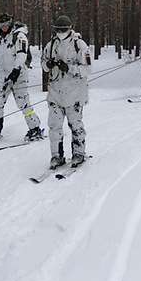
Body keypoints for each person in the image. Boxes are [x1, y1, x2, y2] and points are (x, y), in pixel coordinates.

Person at [41, 15, 92, 169]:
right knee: (54, 126)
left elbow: (88, 69)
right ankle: (57, 156)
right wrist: (48, 64)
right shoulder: (50, 46)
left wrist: (69, 68)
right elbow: (43, 64)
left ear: (70, 28)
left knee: (75, 125)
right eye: (58, 30)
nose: (61, 32)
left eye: (63, 29)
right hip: (56, 93)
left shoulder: (80, 45)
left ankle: (78, 153)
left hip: (75, 93)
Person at [0, 13, 43, 142]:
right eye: (1, 25)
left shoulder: (19, 36)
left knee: (23, 103)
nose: (4, 27)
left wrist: (16, 70)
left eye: (6, 25)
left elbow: (22, 55)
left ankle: (35, 128)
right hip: (2, 76)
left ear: (10, 23)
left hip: (18, 76)